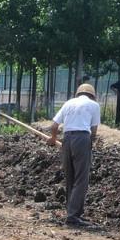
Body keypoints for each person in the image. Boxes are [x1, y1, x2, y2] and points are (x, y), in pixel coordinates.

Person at [47, 83, 101, 229]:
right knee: (81, 179)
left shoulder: (68, 103)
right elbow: (94, 130)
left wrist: (52, 139)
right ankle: (73, 216)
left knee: (70, 177)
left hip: (67, 139)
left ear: (78, 94)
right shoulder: (94, 105)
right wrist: (89, 144)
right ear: (92, 95)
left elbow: (54, 126)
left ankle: (71, 212)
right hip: (82, 138)